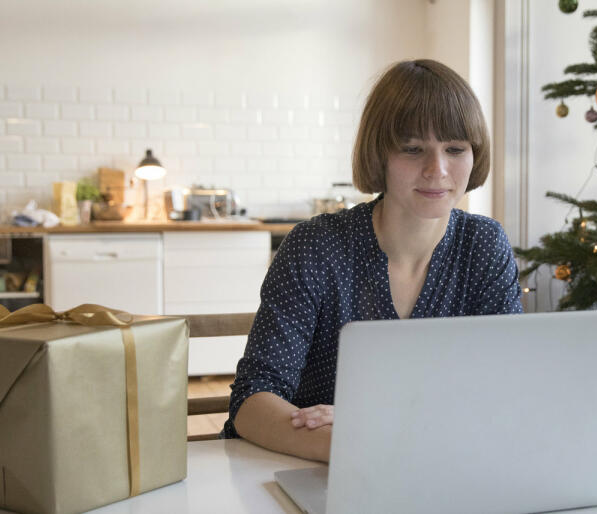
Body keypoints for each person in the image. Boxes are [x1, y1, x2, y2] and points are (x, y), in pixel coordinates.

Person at [221, 59, 523, 461]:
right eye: (413, 149)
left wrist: (381, 435)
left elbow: (502, 390)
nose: (438, 170)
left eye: (455, 149)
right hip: (306, 469)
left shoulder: (484, 245)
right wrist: (357, 446)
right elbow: (251, 402)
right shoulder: (316, 246)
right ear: (379, 154)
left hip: (441, 470)